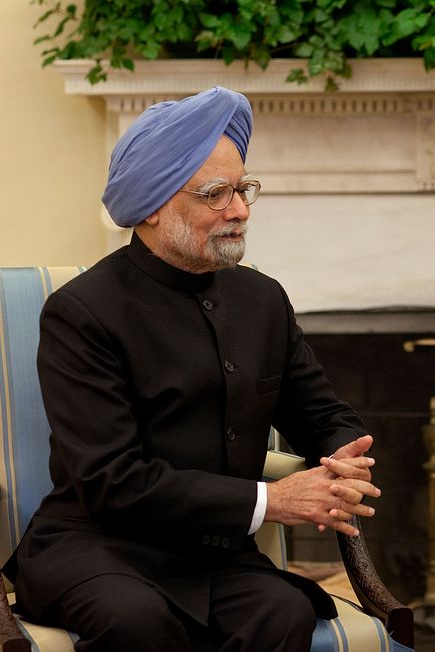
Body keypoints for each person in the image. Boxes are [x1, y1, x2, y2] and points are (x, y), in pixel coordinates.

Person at [2, 86, 381, 652]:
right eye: (215, 194)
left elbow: (321, 412)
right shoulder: (81, 312)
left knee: (280, 614)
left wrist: (343, 459)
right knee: (138, 621)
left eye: (244, 188)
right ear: (153, 205)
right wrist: (272, 501)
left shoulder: (262, 299)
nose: (240, 210)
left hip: (216, 553)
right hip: (97, 548)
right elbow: (112, 480)